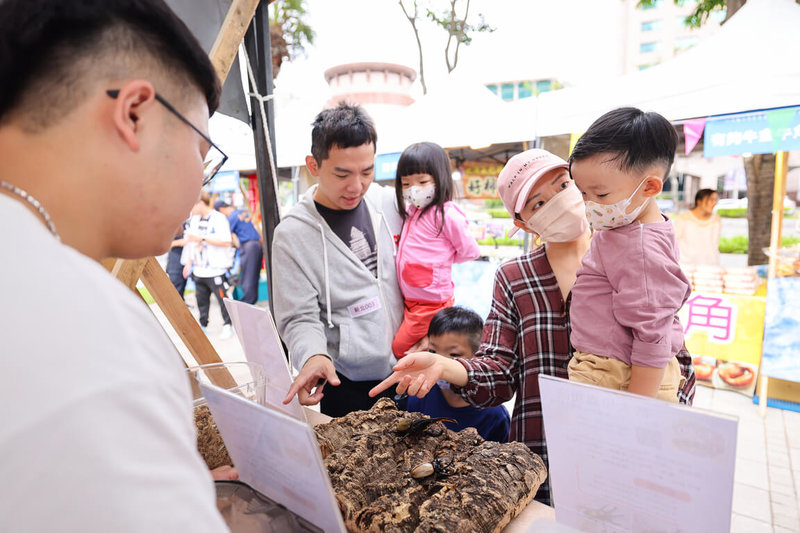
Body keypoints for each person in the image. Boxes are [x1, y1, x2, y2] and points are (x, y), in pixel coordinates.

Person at [0, 0, 229, 530]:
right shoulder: (88, 326)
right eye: (202, 147)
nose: (202, 177)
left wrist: (164, 481)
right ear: (135, 114)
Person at [370, 148, 697, 505]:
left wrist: (658, 415)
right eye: (538, 203)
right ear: (523, 222)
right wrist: (447, 365)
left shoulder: (628, 253)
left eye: (562, 185)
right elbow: (499, 371)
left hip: (630, 447)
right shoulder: (515, 277)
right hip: (543, 454)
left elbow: (671, 352)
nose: (559, 201)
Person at [275, 103, 404, 418]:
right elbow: (299, 317)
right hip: (346, 382)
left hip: (407, 372)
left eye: (367, 171)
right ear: (313, 165)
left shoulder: (386, 204)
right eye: (342, 173)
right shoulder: (293, 234)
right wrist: (312, 355)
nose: (356, 186)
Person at [568, 107, 692, 402]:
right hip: (612, 370)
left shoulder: (639, 246)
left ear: (649, 186)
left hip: (621, 377)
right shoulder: (627, 226)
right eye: (582, 192)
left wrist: (637, 408)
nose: (590, 204)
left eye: (600, 195)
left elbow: (653, 335)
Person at [392, 142, 480, 358]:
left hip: (430, 303)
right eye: (406, 183)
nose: (414, 189)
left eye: (422, 181)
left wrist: (443, 261)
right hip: (414, 301)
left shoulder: (445, 213)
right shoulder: (412, 211)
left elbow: (470, 251)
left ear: (439, 178)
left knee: (399, 349)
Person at [406, 307, 510, 443]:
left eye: (454, 355)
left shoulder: (495, 415)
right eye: (432, 352)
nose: (439, 362)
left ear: (478, 358)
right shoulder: (418, 396)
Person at [183, 190, 235, 339]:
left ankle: (227, 325)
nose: (191, 209)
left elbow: (226, 241)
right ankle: (203, 326)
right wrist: (189, 262)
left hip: (215, 270)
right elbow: (191, 242)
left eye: (192, 205)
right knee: (201, 301)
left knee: (222, 299)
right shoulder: (194, 220)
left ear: (200, 203)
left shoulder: (219, 219)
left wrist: (202, 239)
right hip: (199, 269)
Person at [214, 200, 264, 304]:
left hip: (249, 246)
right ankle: (252, 299)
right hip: (257, 244)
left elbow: (227, 236)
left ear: (221, 210)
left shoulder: (231, 217)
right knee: (254, 274)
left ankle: (248, 301)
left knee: (248, 276)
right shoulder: (242, 211)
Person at [674, 188, 721, 266]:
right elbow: (674, 242)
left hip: (711, 266)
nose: (714, 203)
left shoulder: (716, 219)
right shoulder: (683, 218)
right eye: (711, 200)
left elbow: (715, 244)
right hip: (686, 265)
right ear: (699, 201)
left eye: (715, 200)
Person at [166, 219, 190, 299]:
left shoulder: (188, 221)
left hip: (187, 260)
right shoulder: (170, 222)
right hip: (175, 261)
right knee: (175, 292)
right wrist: (179, 242)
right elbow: (162, 245)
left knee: (182, 289)